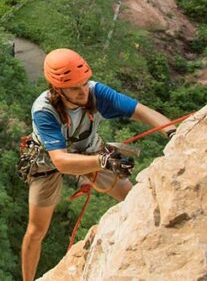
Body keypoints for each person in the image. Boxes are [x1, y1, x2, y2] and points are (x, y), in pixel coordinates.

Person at [20, 48, 177, 281]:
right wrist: (102, 161)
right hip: (48, 161)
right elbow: (61, 161)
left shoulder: (95, 92)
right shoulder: (44, 110)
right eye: (74, 87)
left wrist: (173, 133)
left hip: (90, 149)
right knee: (36, 231)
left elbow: (141, 111)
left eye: (84, 83)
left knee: (132, 198)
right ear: (57, 89)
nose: (83, 90)